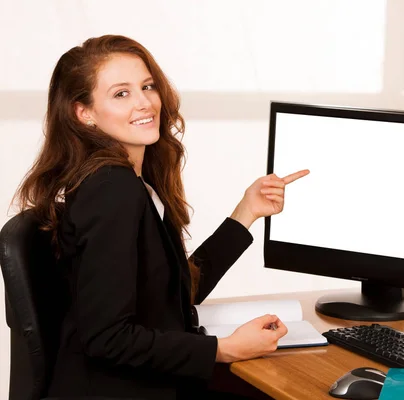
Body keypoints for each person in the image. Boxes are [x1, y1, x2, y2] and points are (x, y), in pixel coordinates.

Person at [13, 34, 309, 399]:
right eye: (121, 93)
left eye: (147, 86)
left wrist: (246, 213)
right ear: (83, 112)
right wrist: (223, 349)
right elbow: (107, 338)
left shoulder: (131, 181)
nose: (144, 103)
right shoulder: (110, 189)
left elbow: (173, 294)